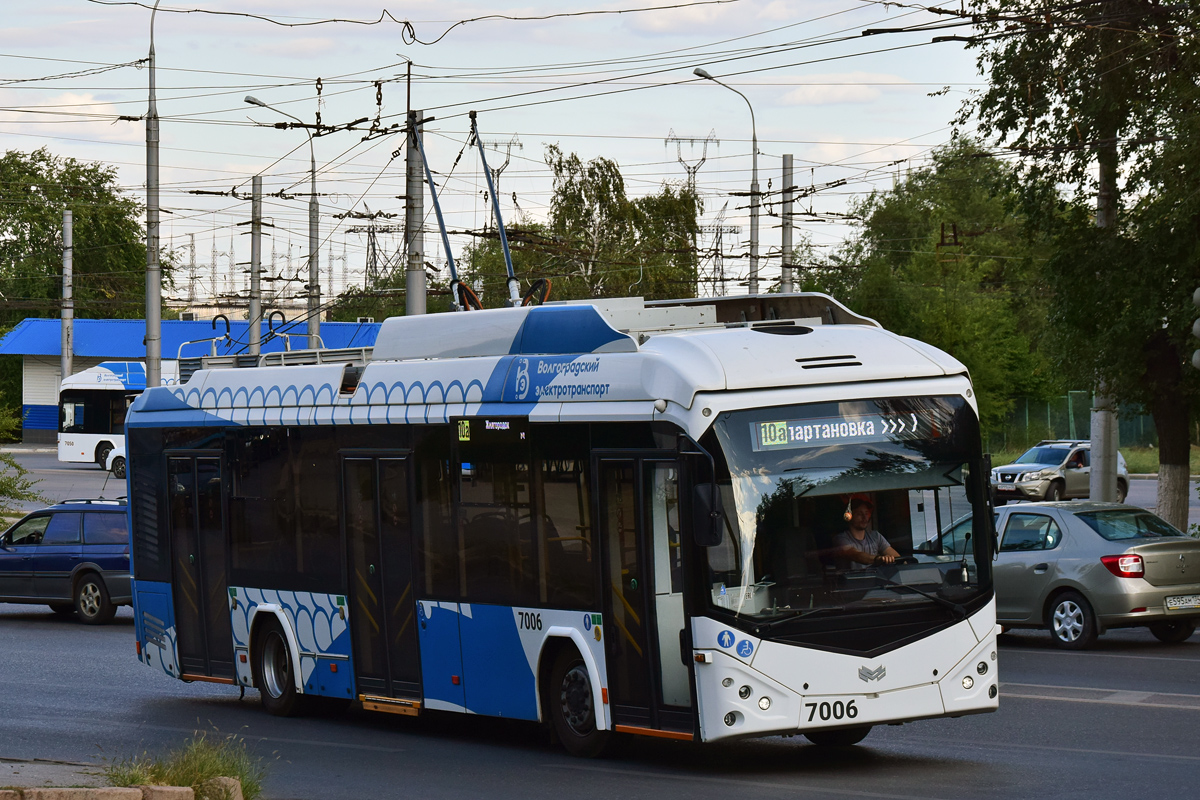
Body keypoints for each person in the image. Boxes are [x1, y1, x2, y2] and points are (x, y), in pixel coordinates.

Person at [834, 497, 900, 569]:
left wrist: (901, 562)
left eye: (866, 513)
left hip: (875, 579)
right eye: (859, 514)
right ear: (849, 516)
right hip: (853, 580)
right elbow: (856, 555)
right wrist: (878, 559)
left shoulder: (875, 536)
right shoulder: (841, 539)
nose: (864, 517)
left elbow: (896, 557)